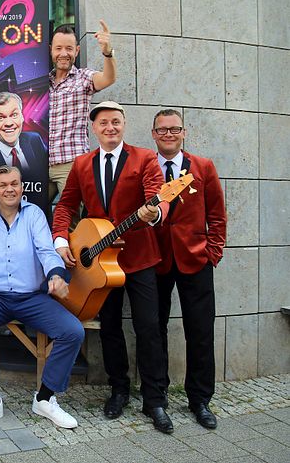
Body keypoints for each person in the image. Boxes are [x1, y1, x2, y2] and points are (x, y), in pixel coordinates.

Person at [52, 101, 174, 433]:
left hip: (139, 259)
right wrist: (61, 240)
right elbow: (65, 205)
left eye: (116, 122)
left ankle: (155, 400)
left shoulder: (145, 158)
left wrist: (156, 212)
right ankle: (118, 389)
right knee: (110, 329)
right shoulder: (82, 163)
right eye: (104, 122)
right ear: (94, 127)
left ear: (123, 125)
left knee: (149, 327)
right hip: (99, 265)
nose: (110, 127)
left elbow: (157, 195)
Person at [0, 166, 84, 430]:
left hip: (31, 298)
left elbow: (46, 251)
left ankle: (45, 398)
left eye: (14, 183)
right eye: (3, 185)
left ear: (22, 187)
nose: (9, 189)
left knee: (73, 331)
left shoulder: (34, 214)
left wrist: (56, 275)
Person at [150, 109, 227, 429]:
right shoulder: (145, 166)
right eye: (162, 130)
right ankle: (157, 398)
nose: (168, 134)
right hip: (156, 261)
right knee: (154, 331)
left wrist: (213, 252)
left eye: (174, 129)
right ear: (153, 134)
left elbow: (217, 214)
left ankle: (199, 400)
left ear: (184, 133)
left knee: (200, 331)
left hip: (196, 260)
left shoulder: (203, 167)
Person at [47, 22, 116, 202]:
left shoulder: (83, 78)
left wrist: (108, 52)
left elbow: (108, 78)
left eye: (69, 48)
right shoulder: (41, 82)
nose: (64, 53)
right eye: (58, 48)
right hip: (40, 164)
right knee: (30, 214)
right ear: (51, 50)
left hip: (71, 164)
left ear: (77, 51)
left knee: (72, 219)